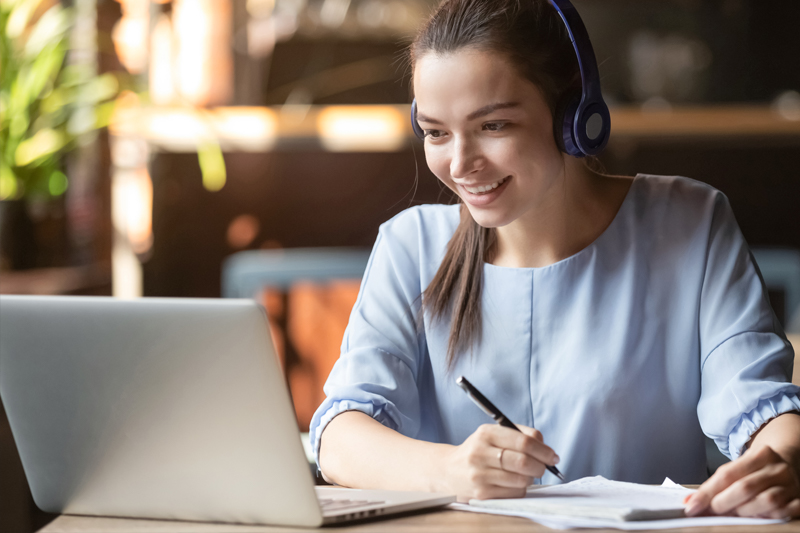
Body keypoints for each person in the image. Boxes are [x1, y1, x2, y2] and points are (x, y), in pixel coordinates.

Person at [309, 0, 800, 518]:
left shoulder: (690, 221)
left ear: (574, 116)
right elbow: (340, 436)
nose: (459, 165)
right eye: (435, 132)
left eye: (494, 126)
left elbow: (759, 405)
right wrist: (453, 471)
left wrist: (785, 459)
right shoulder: (411, 245)